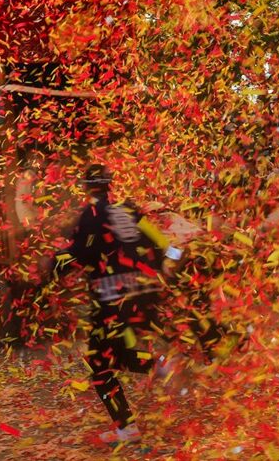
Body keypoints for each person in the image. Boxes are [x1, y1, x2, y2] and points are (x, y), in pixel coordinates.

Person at [37, 164, 175, 444]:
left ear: (86, 187)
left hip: (111, 296)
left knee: (99, 362)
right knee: (115, 355)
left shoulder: (90, 215)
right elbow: (162, 243)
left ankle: (128, 426)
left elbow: (78, 255)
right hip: (143, 291)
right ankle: (160, 366)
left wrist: (50, 269)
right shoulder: (128, 209)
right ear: (109, 184)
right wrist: (170, 267)